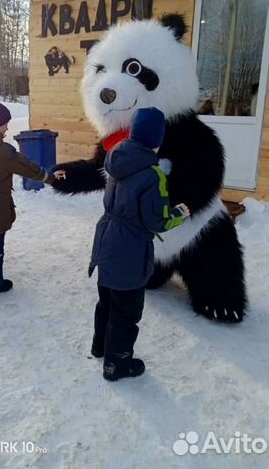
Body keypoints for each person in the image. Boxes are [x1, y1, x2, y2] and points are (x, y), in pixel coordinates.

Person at [89, 107, 190, 381]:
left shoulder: (116, 158)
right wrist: (179, 213)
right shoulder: (152, 175)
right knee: (126, 311)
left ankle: (101, 347)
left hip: (106, 241)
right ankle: (117, 365)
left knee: (106, 302)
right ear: (157, 140)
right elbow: (157, 221)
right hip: (129, 251)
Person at [0, 97, 65, 295]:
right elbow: (28, 167)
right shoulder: (2, 151)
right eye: (5, 124)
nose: (7, 129)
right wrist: (51, 178)